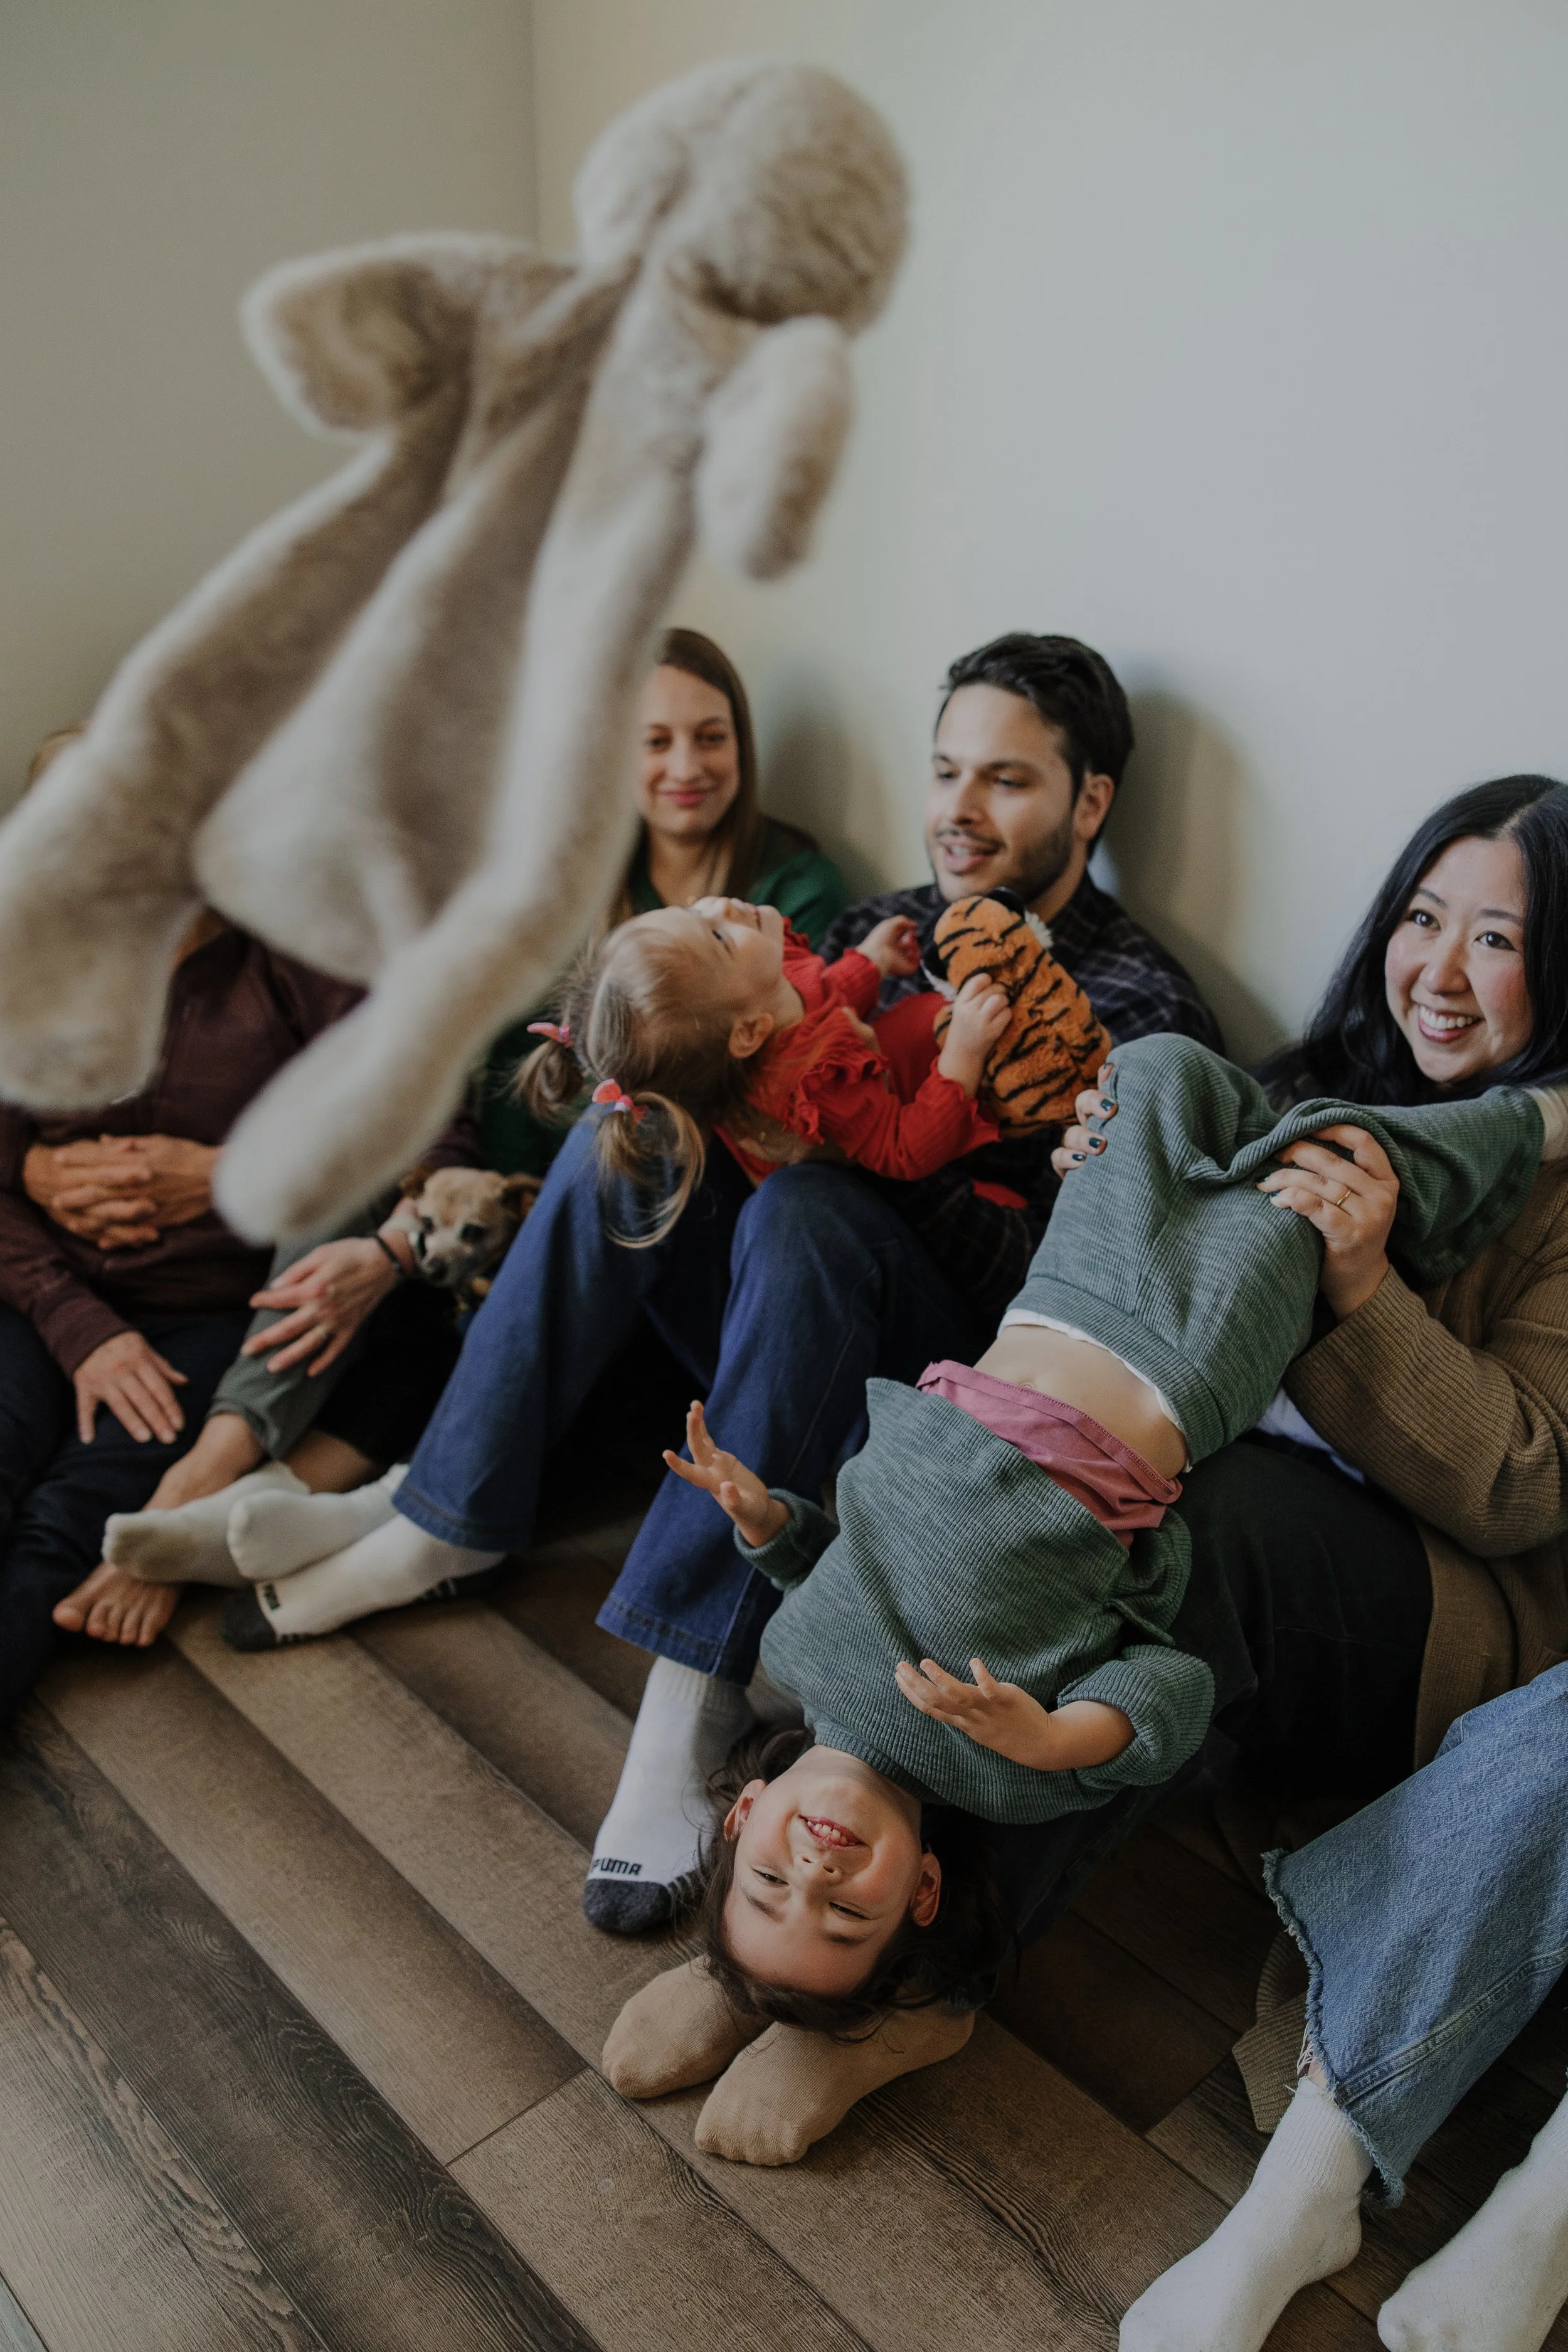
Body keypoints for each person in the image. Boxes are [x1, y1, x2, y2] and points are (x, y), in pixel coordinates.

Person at [601, 769, 1568, 2178]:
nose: (1439, 968)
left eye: (1497, 939)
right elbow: (1131, 1312)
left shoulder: (1544, 1185)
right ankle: (802, 1939)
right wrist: (1093, 1164)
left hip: (1431, 1607)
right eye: (1425, 917)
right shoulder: (1309, 1088)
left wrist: (1356, 1290)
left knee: (1182, 1527)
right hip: (1183, 1493)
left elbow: (1520, 1486)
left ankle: (920, 1989)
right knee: (997, 1515)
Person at [210, 633, 1221, 1934]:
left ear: (1089, 802)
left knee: (808, 1206)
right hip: (778, 1334)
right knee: (623, 1126)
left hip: (950, 1404)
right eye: (943, 772)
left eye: (1007, 782)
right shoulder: (875, 931)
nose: (959, 812)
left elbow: (1081, 1297)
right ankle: (444, 1520)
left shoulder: (1136, 1006)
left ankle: (688, 1697)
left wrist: (853, 1161)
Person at [0, 906, 470, 1713]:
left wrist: (229, 1170)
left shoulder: (308, 955)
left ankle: (187, 1511)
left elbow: (435, 1140)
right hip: (43, 1292)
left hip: (217, 1311)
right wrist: (75, 1316)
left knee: (67, 1523)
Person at [514, 886, 1109, 1237]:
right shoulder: (812, 1086)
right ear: (749, 1034)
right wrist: (964, 1055)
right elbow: (904, 1150)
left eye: (696, 911)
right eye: (717, 937)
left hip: (880, 1057)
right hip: (885, 1140)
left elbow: (821, 995)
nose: (722, 905)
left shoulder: (759, 988)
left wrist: (870, 962)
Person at [478, 627, 848, 1177]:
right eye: (655, 742)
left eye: (711, 737)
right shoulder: (574, 887)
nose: (686, 768)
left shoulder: (794, 892)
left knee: (628, 1119)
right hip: (560, 1191)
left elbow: (782, 1074)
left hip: (711, 1174)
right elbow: (516, 1068)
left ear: (741, 743)